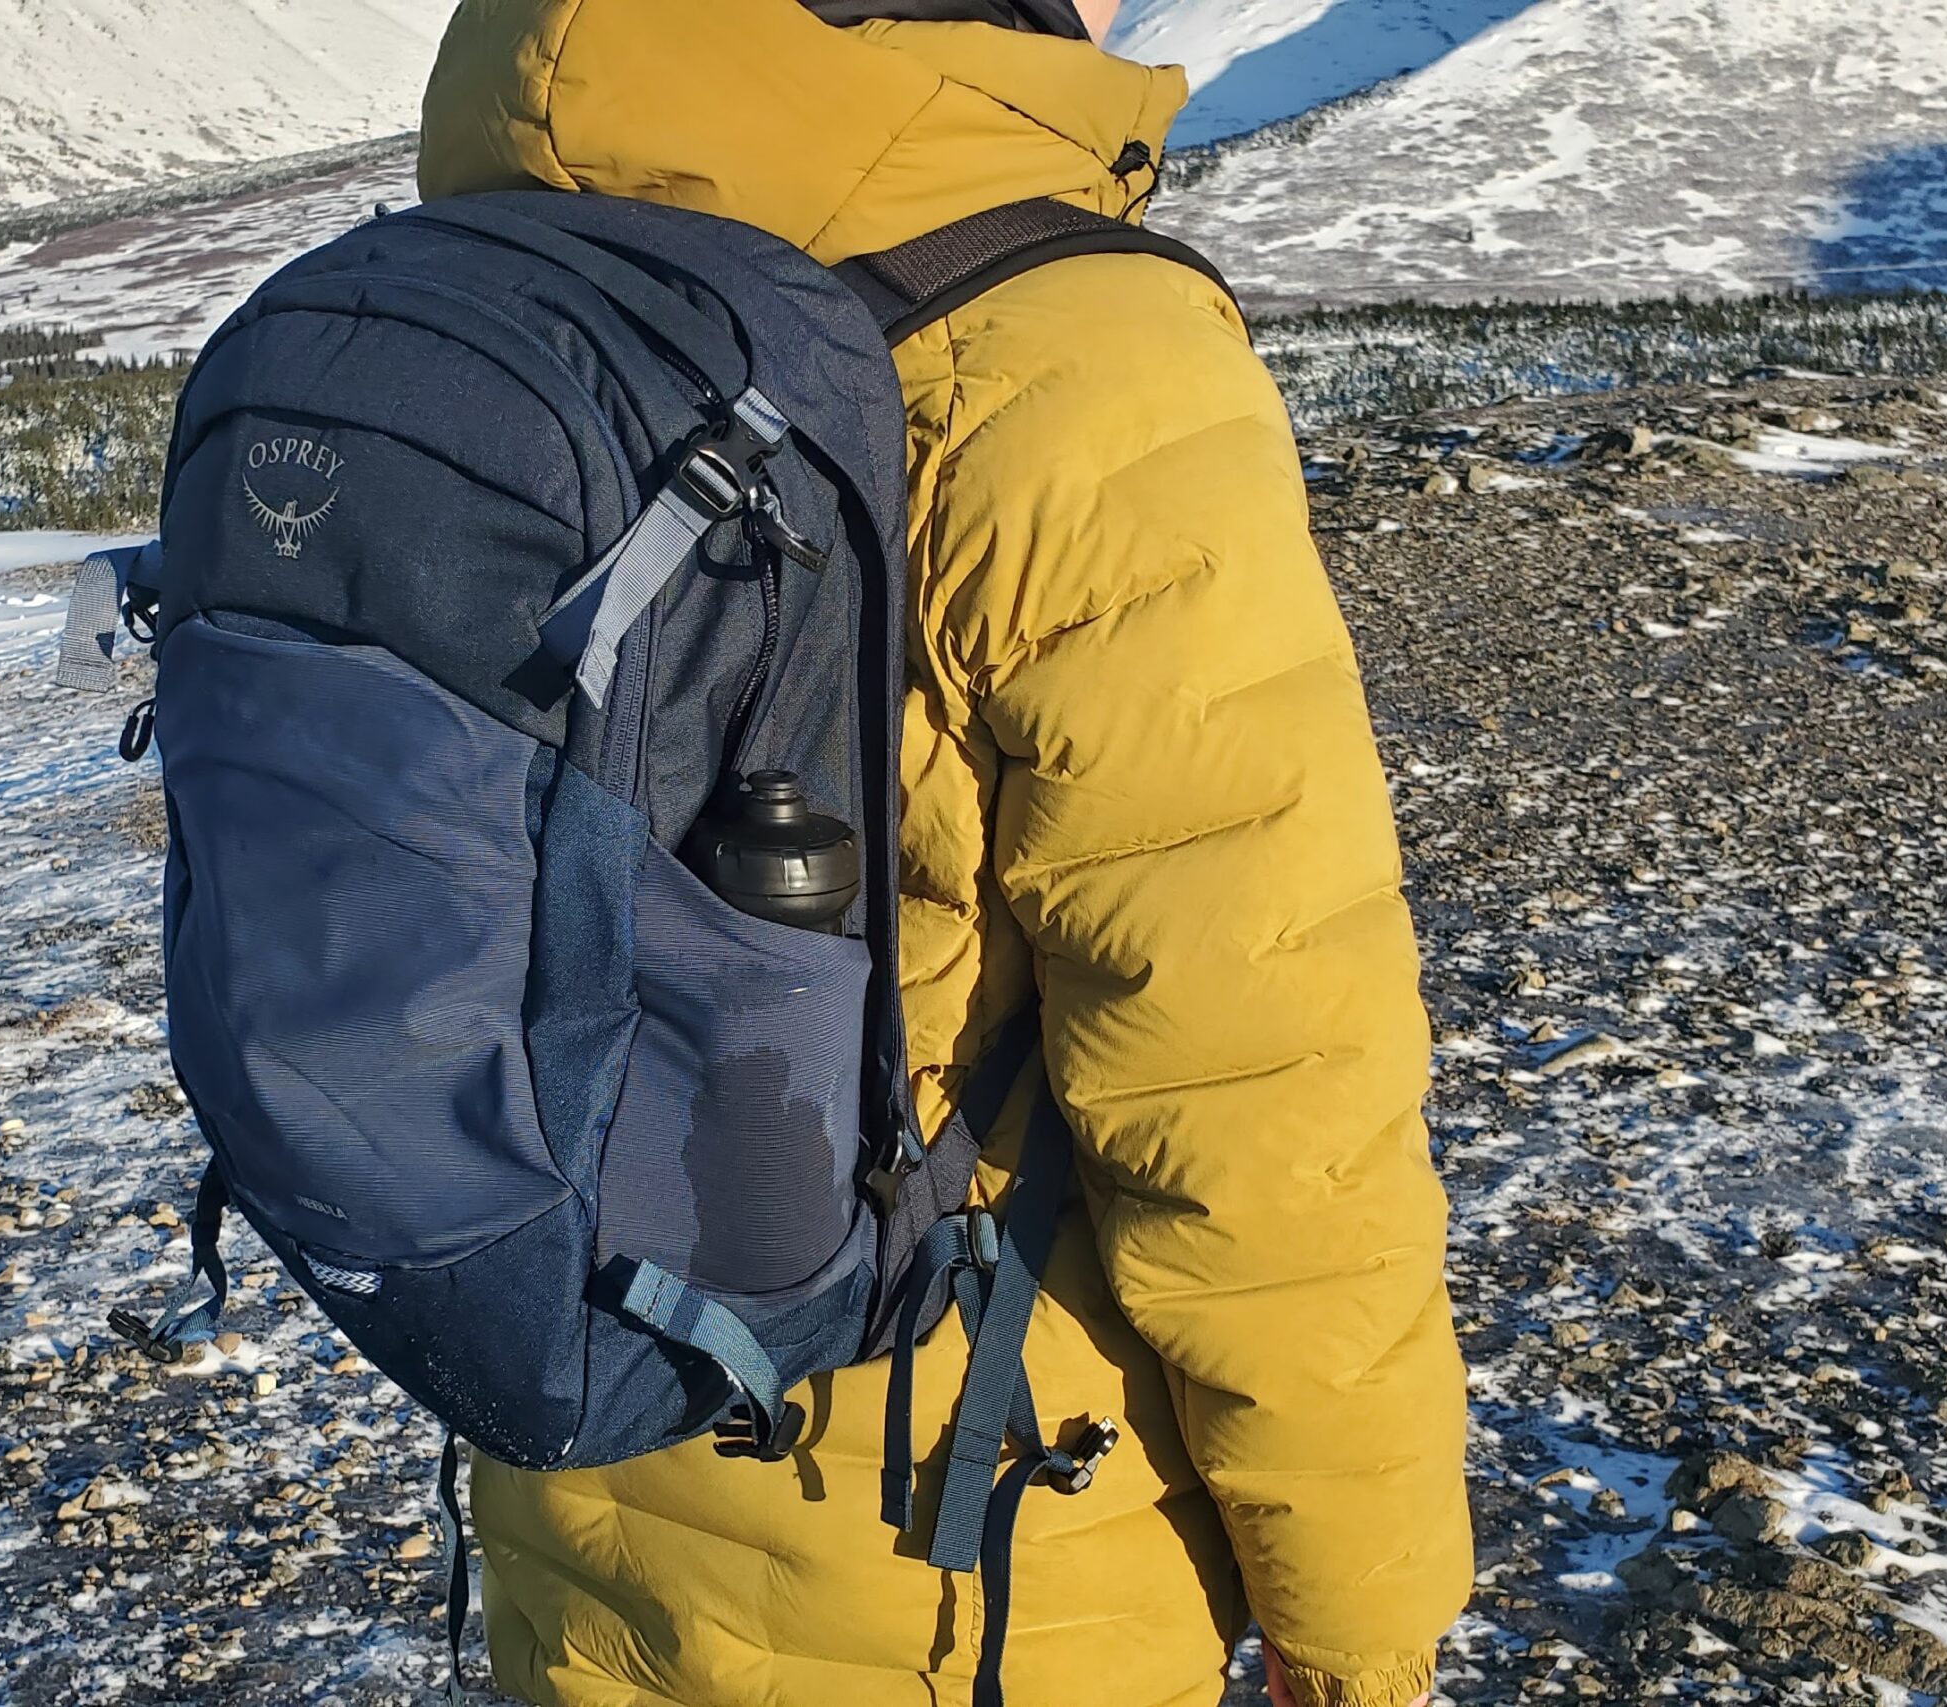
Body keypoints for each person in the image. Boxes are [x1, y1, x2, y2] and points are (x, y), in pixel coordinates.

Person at [416, 1, 1473, 1702]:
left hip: (569, 1447)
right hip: (962, 1548)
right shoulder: (1078, 356)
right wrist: (1358, 1619)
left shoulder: (500, 271)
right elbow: (1262, 1075)